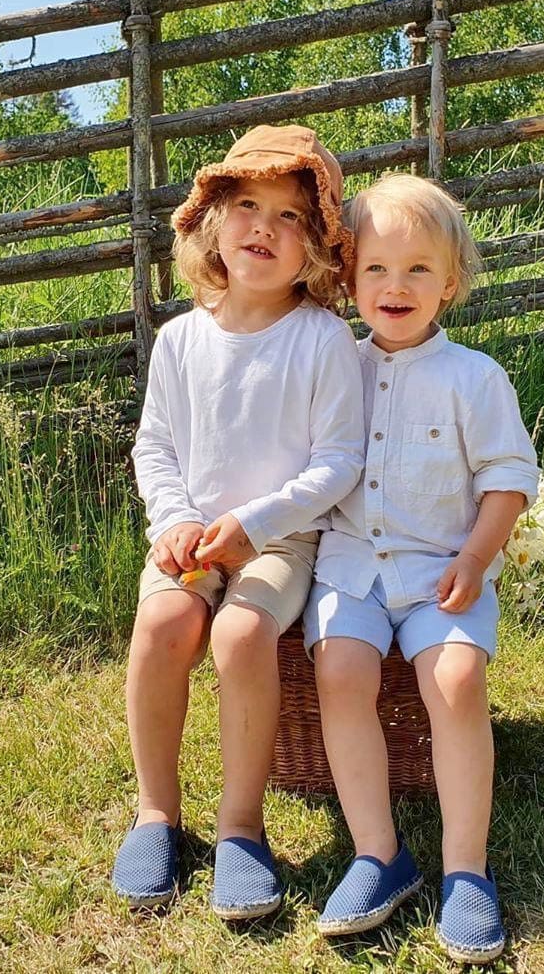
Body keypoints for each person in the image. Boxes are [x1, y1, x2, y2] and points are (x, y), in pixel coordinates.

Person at [112, 125, 365, 917]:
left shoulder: (322, 340)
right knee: (162, 627)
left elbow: (336, 464)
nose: (264, 226)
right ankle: (157, 811)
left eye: (291, 216)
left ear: (317, 250)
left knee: (241, 633)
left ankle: (240, 827)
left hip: (280, 539)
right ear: (214, 222)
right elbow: (153, 443)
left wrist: (255, 522)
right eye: (248, 204)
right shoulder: (181, 338)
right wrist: (175, 520)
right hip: (190, 535)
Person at [305, 172, 539, 964]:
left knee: (457, 679)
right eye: (374, 268)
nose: (393, 286)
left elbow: (506, 481)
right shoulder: (334, 362)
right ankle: (379, 852)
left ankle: (465, 869)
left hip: (445, 569)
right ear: (348, 277)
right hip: (349, 568)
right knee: (339, 668)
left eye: (415, 270)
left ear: (451, 281)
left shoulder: (475, 377)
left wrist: (477, 557)